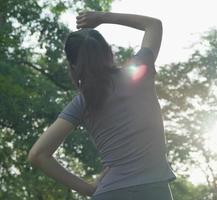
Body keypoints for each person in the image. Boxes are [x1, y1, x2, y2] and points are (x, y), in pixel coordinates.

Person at [27, 11, 176, 200]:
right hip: (154, 191)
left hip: (109, 192)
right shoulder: (139, 72)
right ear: (109, 52)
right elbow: (154, 25)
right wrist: (102, 18)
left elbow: (38, 154)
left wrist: (88, 189)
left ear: (73, 66)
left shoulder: (83, 102)